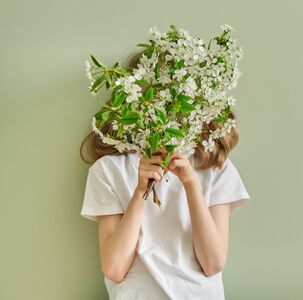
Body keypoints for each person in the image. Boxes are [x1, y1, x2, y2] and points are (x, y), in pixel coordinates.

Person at [79, 50, 251, 300]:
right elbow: (114, 269)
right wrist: (140, 192)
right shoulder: (108, 171)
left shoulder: (214, 169)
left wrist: (191, 183)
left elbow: (212, 263)